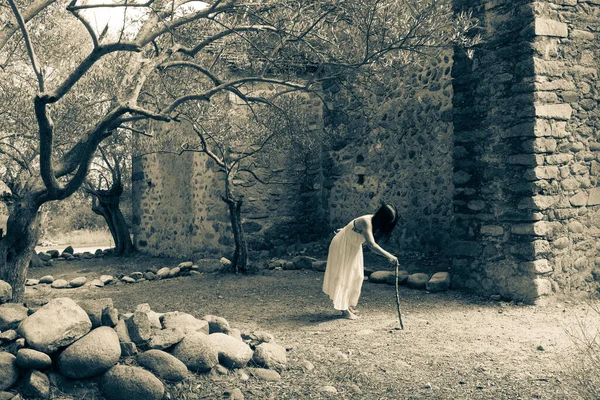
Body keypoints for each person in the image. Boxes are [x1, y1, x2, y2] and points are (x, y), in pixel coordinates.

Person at [323, 203, 399, 320]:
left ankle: (347, 303)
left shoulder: (374, 223)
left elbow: (353, 228)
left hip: (353, 247)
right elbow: (371, 245)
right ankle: (344, 310)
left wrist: (345, 230)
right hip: (342, 245)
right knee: (344, 276)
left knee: (357, 275)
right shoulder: (366, 221)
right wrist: (389, 256)